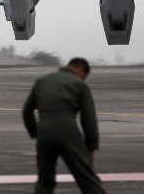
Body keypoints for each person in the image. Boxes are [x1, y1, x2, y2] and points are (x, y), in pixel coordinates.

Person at [22, 58, 106, 194]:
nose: (83, 79)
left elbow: (26, 111)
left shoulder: (42, 81)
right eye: (84, 77)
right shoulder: (79, 85)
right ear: (81, 70)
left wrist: (36, 133)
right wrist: (91, 146)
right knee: (88, 180)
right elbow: (88, 119)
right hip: (67, 131)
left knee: (44, 182)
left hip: (44, 132)